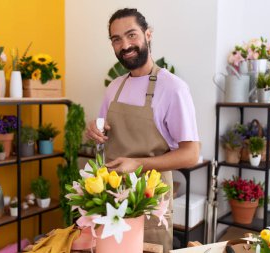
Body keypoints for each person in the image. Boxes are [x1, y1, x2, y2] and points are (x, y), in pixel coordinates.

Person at [86, 8, 200, 252]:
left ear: (148, 35)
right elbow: (103, 131)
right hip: (110, 198)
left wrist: (137, 164)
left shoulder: (173, 88)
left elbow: (191, 155)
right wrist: (94, 131)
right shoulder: (114, 87)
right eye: (116, 39)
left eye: (131, 35)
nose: (125, 45)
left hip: (149, 202)